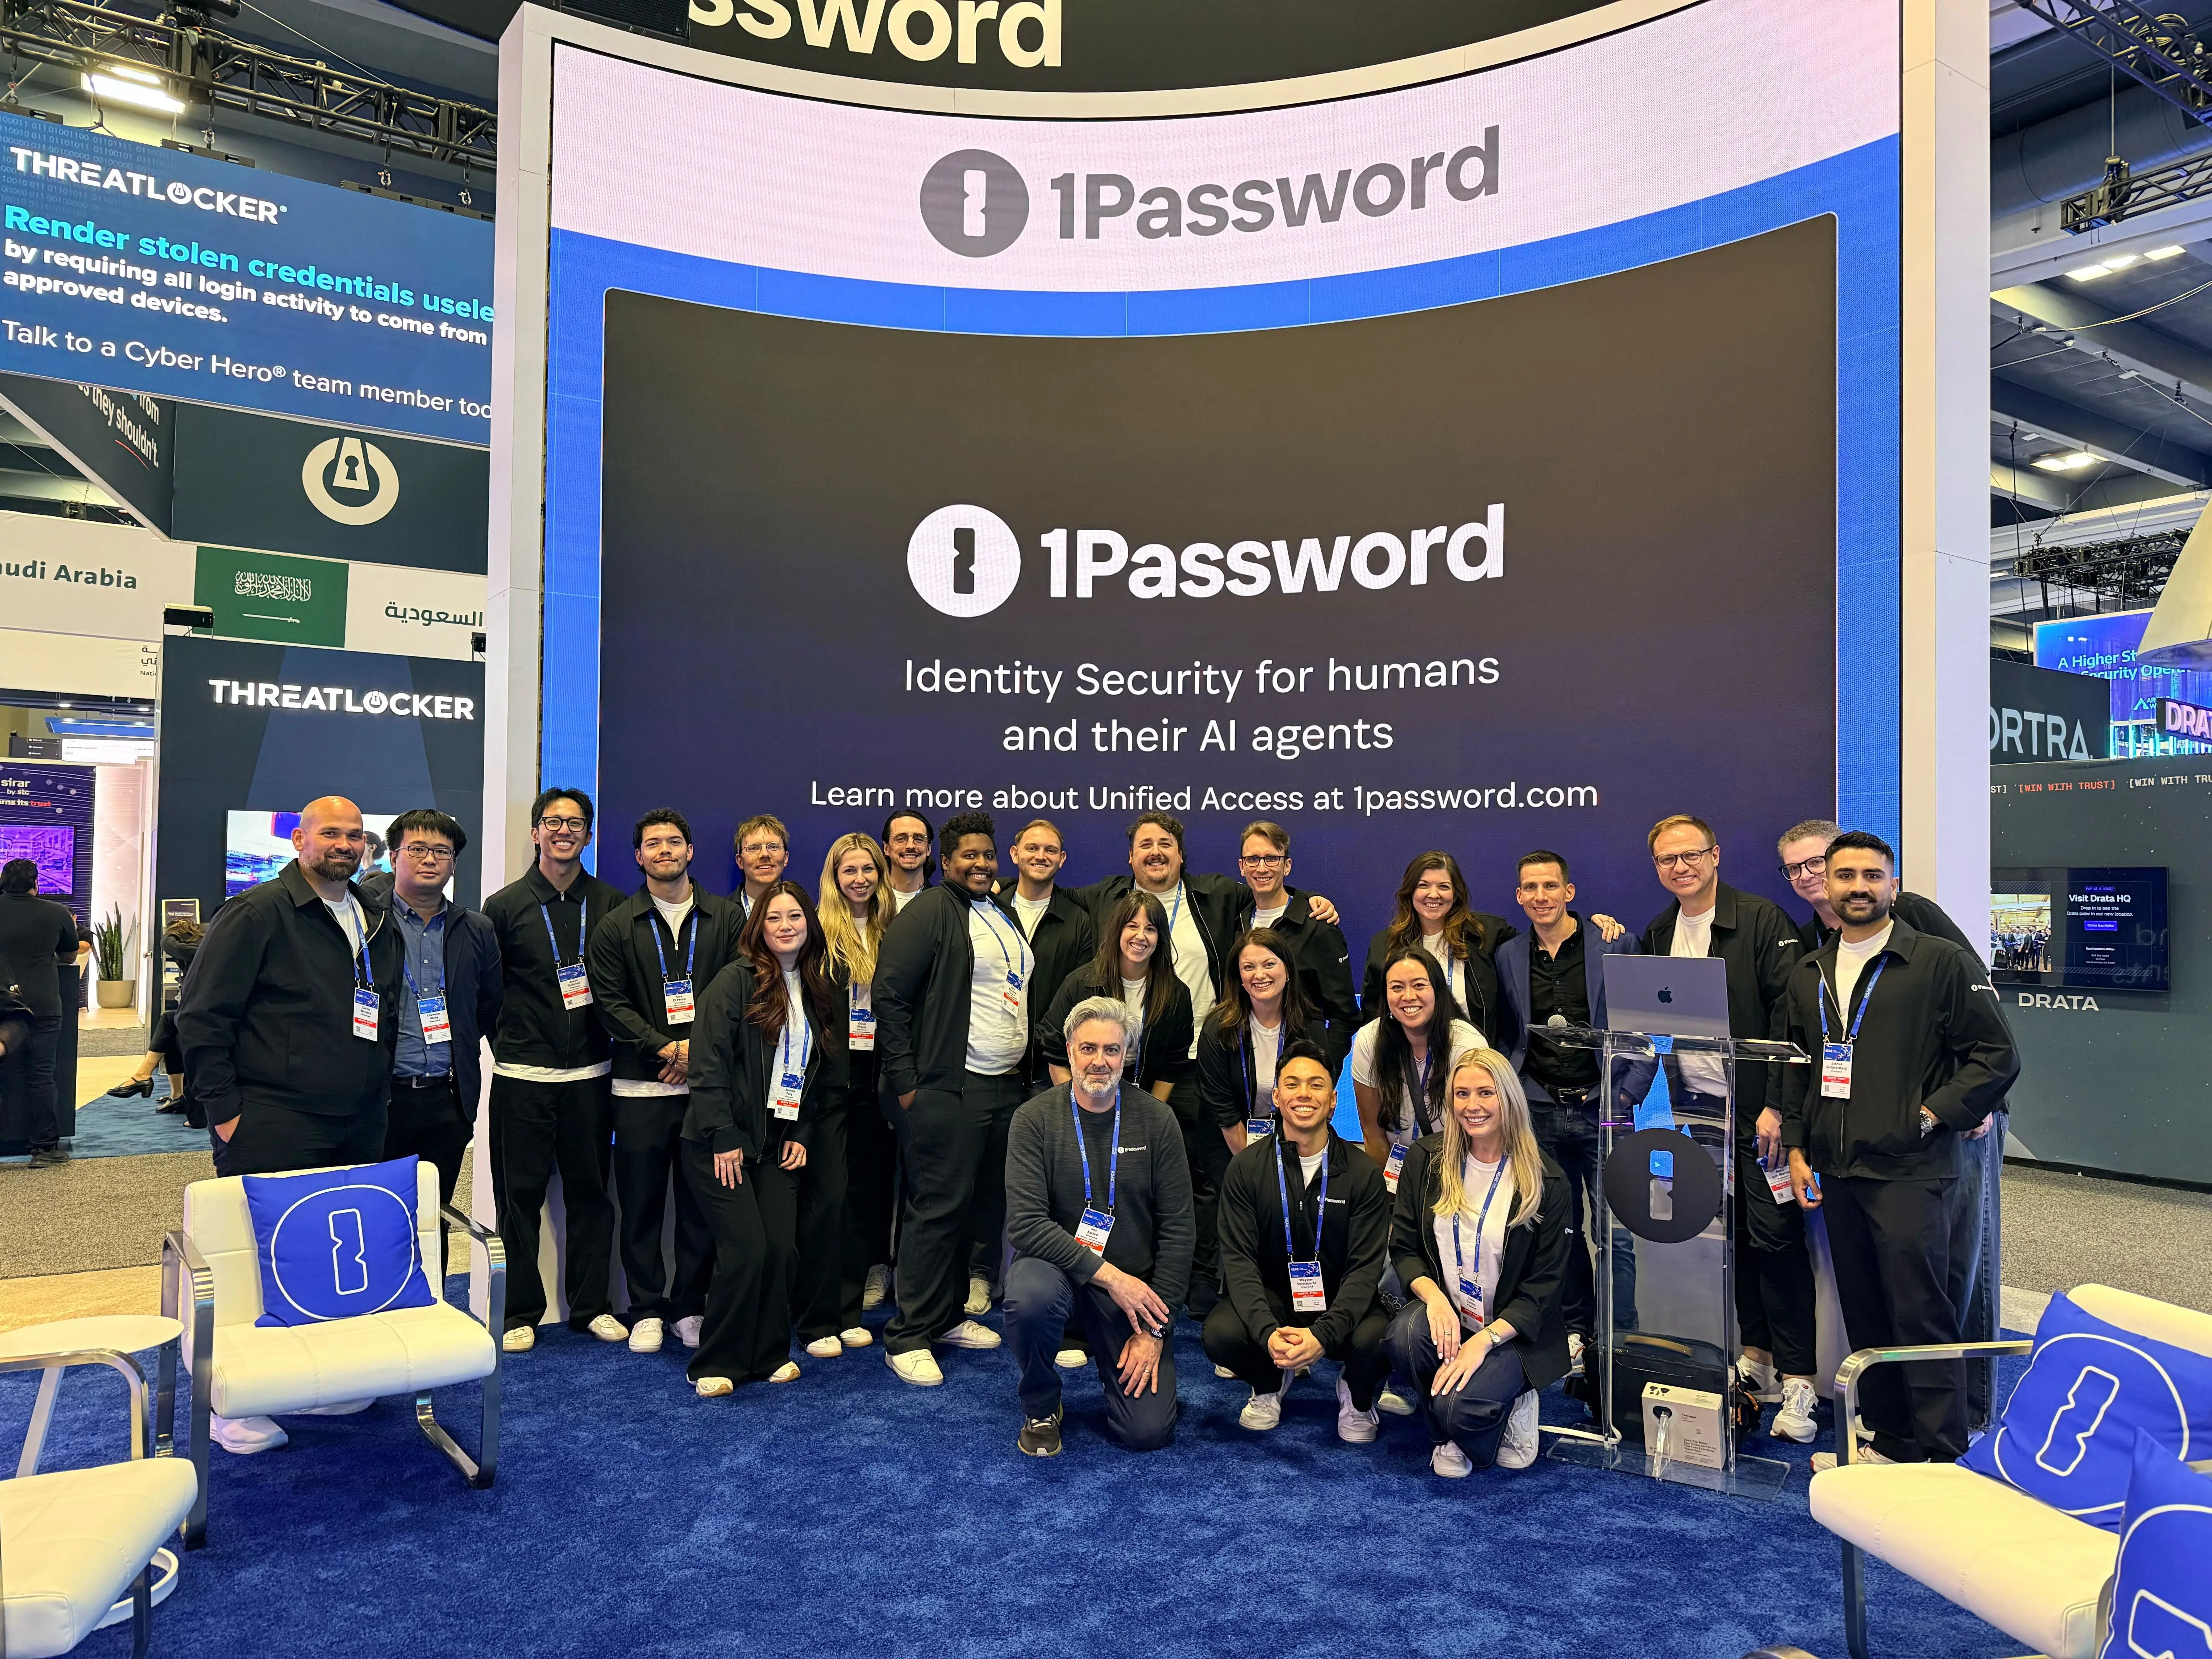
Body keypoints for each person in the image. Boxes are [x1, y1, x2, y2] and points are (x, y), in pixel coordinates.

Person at [172, 797, 405, 1456]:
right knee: (250, 1262)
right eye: (330, 833)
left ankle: (316, 1380)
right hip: (274, 1116)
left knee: (323, 1256)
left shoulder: (368, 913)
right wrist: (224, 1112)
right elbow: (202, 1016)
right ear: (299, 839)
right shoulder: (256, 912)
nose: (345, 843)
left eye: (356, 835)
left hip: (357, 1116)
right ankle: (230, 1403)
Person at [1783, 832, 2019, 1468]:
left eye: (1871, 874)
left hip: (1912, 1169)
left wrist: (1932, 1112)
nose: (1856, 886)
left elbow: (1995, 1054)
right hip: (1837, 1168)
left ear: (1892, 884)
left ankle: (1942, 1455)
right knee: (1866, 1314)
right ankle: (1886, 1442)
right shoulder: (1809, 970)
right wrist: (1800, 1150)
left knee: (1921, 1315)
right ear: (1828, 887)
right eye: (1844, 875)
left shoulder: (1937, 960)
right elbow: (1800, 1067)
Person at [1638, 812, 1813, 1438]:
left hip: (1759, 1113)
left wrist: (1774, 1106)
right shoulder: (1659, 930)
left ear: (1715, 853)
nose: (1679, 866)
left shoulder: (1762, 920)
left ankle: (1799, 1382)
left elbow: (1790, 1019)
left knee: (1776, 1239)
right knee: (1735, 1237)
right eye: (1666, 859)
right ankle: (1757, 1361)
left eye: (1690, 854)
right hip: (1702, 1112)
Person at [1001, 997, 1193, 1456]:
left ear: (1127, 1054)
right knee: (1028, 1295)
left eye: (1112, 1050)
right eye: (1089, 1049)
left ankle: (1130, 1356)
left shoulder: (1158, 1120)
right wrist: (1111, 1277)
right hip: (1058, 1276)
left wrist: (1155, 1333)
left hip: (1131, 1298)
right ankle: (1042, 1404)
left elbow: (1179, 1232)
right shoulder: (1033, 1120)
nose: (1100, 1061)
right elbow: (1026, 1226)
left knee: (1146, 1434)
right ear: (1069, 1051)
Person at [872, 810, 1024, 1383]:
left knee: (973, 1208)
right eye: (969, 856)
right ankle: (907, 1333)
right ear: (947, 859)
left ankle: (948, 1313)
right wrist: (908, 1085)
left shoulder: (998, 911)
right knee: (936, 1209)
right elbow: (889, 997)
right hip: (947, 1087)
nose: (981, 864)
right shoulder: (933, 910)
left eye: (988, 855)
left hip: (999, 1086)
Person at [586, 810, 744, 1357]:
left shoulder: (725, 919)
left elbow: (736, 997)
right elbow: (609, 1004)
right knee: (642, 1205)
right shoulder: (615, 924)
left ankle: (689, 1308)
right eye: (652, 843)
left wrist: (695, 1053)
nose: (664, 850)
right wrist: (666, 1047)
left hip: (706, 1092)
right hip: (639, 1091)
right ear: (638, 856)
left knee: (700, 1208)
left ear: (691, 851)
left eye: (674, 841)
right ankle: (647, 1308)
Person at [682, 881, 850, 1394]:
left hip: (777, 1144)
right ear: (758, 927)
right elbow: (707, 1063)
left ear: (809, 925)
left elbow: (812, 1070)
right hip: (721, 1144)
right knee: (748, 1251)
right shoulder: (735, 981)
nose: (785, 926)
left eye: (794, 916)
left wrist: (800, 1131)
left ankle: (767, 1353)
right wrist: (724, 1134)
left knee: (781, 1250)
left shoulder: (817, 987)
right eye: (774, 917)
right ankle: (716, 1362)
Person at [480, 788, 629, 1355]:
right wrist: (512, 1043)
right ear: (537, 833)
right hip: (523, 1078)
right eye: (553, 822)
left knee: (592, 1195)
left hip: (592, 1077)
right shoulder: (505, 905)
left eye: (576, 823)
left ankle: (591, 1307)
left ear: (589, 835)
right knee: (520, 1199)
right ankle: (520, 1310)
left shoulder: (613, 903)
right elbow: (489, 991)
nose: (564, 830)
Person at [1387, 1049, 1570, 1477]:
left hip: (1512, 1331)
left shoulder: (1547, 1181)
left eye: (1485, 1093)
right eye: (1462, 1094)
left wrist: (1484, 1342)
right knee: (1403, 1336)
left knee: (1461, 1409)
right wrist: (1433, 1299)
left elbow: (1544, 1289)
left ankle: (1506, 1403)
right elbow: (1404, 1248)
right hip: (1450, 1315)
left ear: (1508, 1099)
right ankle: (1449, 1428)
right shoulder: (1426, 1159)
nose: (1473, 1105)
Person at [1206, 1040, 1392, 1441]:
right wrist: (1267, 1332)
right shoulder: (1246, 1170)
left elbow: (1365, 1270)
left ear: (1332, 1101)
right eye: (1292, 1085)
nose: (1303, 1094)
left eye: (1316, 1085)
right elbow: (1238, 1263)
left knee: (1383, 1340)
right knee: (1220, 1333)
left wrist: (1324, 1336)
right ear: (1276, 1097)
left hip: (1345, 1302)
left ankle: (1357, 1396)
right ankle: (1270, 1382)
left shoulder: (1363, 1173)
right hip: (1277, 1301)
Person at [1496, 850, 1639, 1367]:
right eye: (1529, 888)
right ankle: (1578, 1332)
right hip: (1539, 1108)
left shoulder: (1615, 942)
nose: (1540, 897)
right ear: (1519, 897)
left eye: (1549, 886)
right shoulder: (1509, 954)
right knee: (1562, 1230)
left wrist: (1628, 1093)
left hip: (1605, 1106)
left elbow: (1641, 1024)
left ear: (1569, 891)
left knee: (1615, 1233)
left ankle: (1620, 1342)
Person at [369, 811, 501, 1208]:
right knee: (377, 1217)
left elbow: (488, 1006)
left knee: (435, 1217)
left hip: (448, 1100)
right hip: (380, 1099)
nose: (430, 859)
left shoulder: (476, 929)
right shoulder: (366, 922)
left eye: (442, 851)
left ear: (454, 863)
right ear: (394, 858)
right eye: (418, 849)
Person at [819, 832, 898, 1323]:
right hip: (831, 1072)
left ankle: (873, 1266)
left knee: (875, 1177)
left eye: (868, 869)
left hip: (881, 1071)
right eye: (850, 870)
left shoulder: (897, 928)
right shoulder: (818, 928)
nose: (860, 879)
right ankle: (830, 1276)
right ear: (835, 876)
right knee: (831, 1182)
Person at [1037, 891, 1194, 1104]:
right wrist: (1076, 1106)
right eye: (1132, 926)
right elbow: (1055, 1052)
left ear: (1161, 938)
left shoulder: (1176, 996)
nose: (1141, 936)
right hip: (1082, 1090)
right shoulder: (1081, 984)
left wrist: (1152, 1115)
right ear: (1118, 931)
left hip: (1143, 1093)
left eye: (1150, 929)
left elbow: (1171, 1067)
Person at [1195, 927, 1342, 1149]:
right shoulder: (1218, 1029)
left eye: (1270, 964)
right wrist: (1254, 1171)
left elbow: (1316, 1098)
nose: (1260, 975)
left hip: (1293, 1142)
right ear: (1240, 977)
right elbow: (1225, 1113)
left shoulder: (1310, 1026)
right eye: (1249, 967)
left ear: (1288, 971)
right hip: (1227, 1147)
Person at [1352, 947, 1486, 1187]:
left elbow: (1477, 1134)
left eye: (1419, 985)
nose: (1408, 996)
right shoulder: (1369, 1039)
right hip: (1395, 1169)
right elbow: (1373, 1135)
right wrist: (1392, 1199)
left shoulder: (1467, 1044)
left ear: (1438, 991)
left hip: (1457, 1168)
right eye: (1397, 988)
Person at [1360, 852, 1516, 1052]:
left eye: (1444, 887)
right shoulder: (1384, 946)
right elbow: (1373, 1015)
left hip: (1476, 1064)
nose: (1433, 895)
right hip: (1409, 1064)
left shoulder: (1488, 935)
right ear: (1410, 891)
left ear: (1456, 893)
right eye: (1423, 885)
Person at [1228, 821, 1358, 1047]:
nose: (1262, 868)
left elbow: (1344, 1017)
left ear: (1287, 866)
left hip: (1302, 1066)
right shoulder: (1234, 921)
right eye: (1253, 859)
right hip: (1244, 1060)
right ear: (1242, 867)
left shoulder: (1317, 924)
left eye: (1271, 859)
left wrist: (1323, 1069)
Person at [991, 817, 1096, 1089]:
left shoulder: (1078, 921)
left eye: (1050, 850)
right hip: (987, 1066)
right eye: (1032, 848)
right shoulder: (989, 911)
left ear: (1062, 859)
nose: (1041, 856)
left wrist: (1031, 1040)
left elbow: (1077, 997)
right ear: (1015, 854)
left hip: (1046, 1071)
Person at [0, 859, 79, 1168]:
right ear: (36, 884)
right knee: (42, 1076)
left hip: (3, 1001)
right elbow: (70, 953)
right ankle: (44, 1149)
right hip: (42, 1005)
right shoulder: (57, 913)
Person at [105, 917, 206, 1115]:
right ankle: (176, 1096)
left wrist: (168, 938)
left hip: (212, 1018)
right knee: (172, 1029)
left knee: (171, 1021)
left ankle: (144, 1077)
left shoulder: (196, 950)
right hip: (204, 1013)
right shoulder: (212, 944)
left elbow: (168, 942)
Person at [733, 814, 790, 919]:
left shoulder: (804, 911)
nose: (765, 855)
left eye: (773, 847)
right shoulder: (722, 915)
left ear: (786, 858)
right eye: (754, 848)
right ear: (740, 861)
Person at [881, 810, 934, 911]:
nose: (910, 846)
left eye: (919, 839)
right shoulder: (870, 901)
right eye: (901, 839)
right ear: (886, 848)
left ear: (929, 849)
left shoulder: (942, 905)